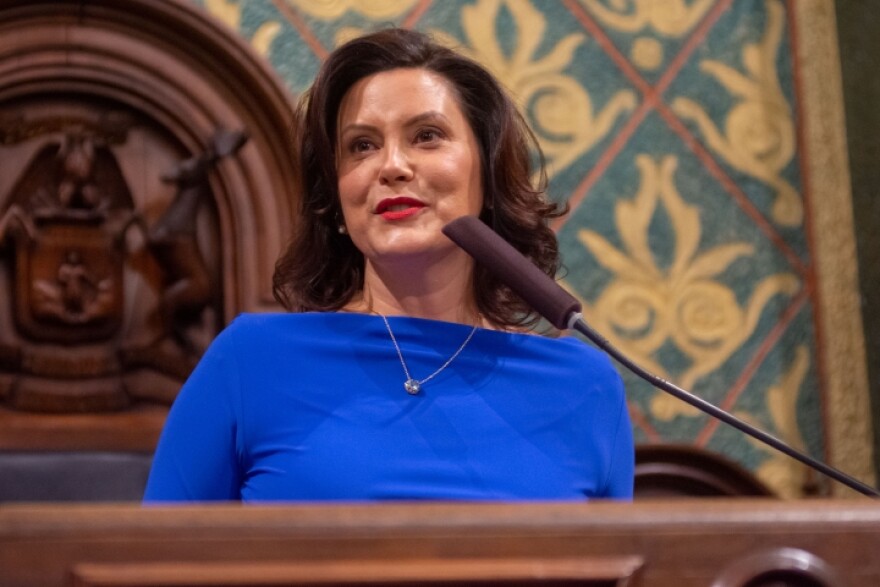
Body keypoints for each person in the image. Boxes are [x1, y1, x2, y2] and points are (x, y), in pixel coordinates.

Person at [143, 27, 633, 502]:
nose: (392, 165)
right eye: (362, 145)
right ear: (335, 199)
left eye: (427, 135)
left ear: (486, 175)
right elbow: (150, 567)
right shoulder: (248, 362)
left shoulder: (584, 385)